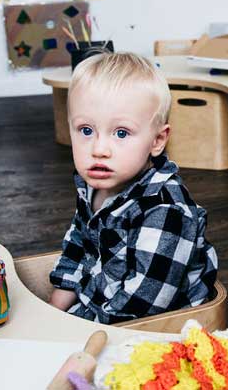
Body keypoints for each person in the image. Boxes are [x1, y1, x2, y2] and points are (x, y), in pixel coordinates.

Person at [49, 50, 218, 323]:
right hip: (105, 299)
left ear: (157, 140)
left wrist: (76, 326)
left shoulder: (164, 209)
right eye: (86, 130)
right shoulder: (93, 187)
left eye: (121, 133)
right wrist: (52, 314)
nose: (99, 149)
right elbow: (77, 249)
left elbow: (144, 305)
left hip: (157, 324)